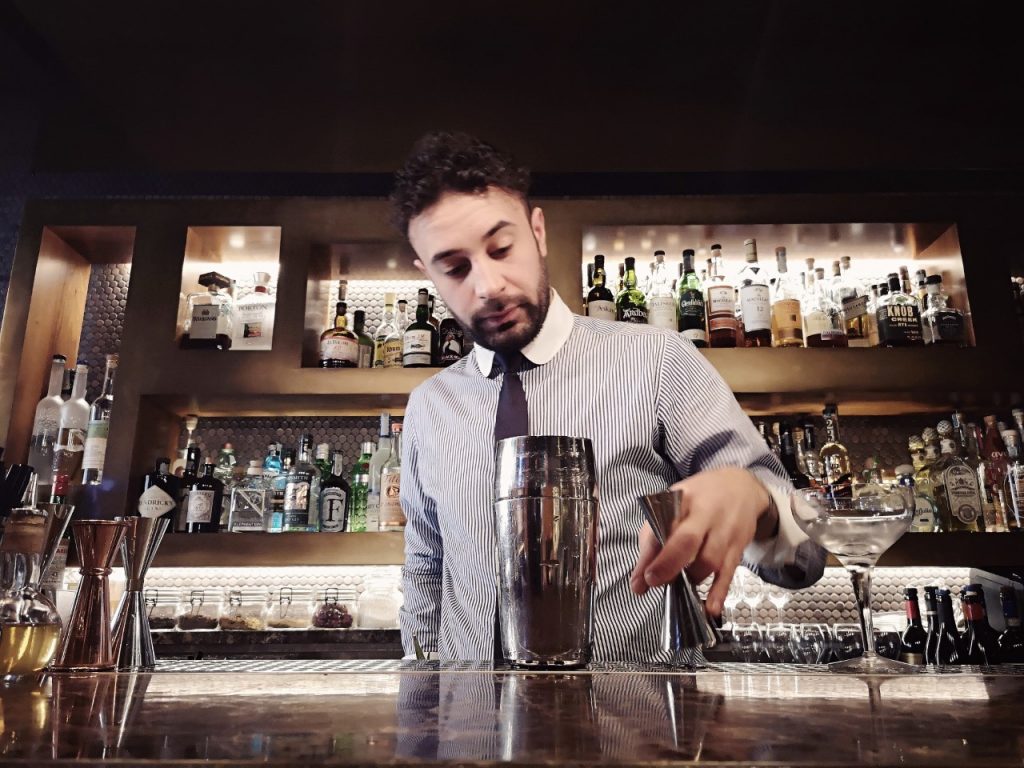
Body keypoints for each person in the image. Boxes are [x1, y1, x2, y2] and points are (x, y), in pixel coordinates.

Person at [391, 131, 826, 661]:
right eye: (455, 268)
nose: (487, 285)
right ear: (426, 273)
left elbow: (803, 557)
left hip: (639, 726)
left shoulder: (658, 361)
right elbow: (427, 565)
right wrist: (422, 701)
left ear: (538, 231)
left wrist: (756, 501)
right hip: (469, 730)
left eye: (502, 248)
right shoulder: (429, 405)